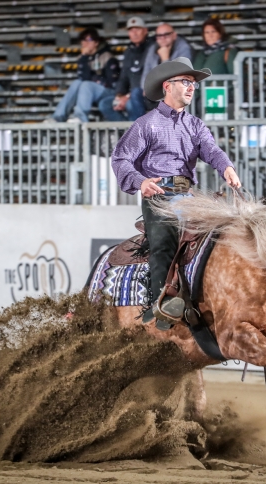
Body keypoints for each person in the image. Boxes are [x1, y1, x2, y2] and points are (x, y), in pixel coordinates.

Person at [111, 57, 241, 330]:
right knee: (163, 242)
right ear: (167, 86)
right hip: (158, 193)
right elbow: (121, 159)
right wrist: (140, 182)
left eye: (193, 83)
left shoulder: (195, 125)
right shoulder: (146, 124)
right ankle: (157, 306)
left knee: (222, 232)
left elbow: (211, 150)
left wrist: (226, 166)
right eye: (186, 82)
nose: (192, 87)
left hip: (187, 196)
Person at [47, 28, 120, 123]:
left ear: (96, 42)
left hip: (109, 92)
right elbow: (83, 78)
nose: (84, 43)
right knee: (78, 82)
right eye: (82, 40)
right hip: (90, 92)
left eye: (88, 40)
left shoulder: (107, 56)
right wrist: (84, 58)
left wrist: (96, 80)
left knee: (86, 85)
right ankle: (58, 117)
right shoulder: (83, 58)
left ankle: (81, 117)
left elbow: (112, 81)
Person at [98, 17, 154, 122]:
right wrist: (119, 95)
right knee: (104, 104)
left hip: (146, 96)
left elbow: (147, 79)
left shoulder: (152, 48)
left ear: (145, 30)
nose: (134, 33)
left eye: (137, 29)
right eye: (131, 30)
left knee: (130, 105)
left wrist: (128, 97)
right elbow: (123, 77)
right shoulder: (128, 52)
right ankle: (127, 133)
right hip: (129, 96)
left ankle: (137, 135)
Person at [140, 24, 192, 105]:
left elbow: (179, 75)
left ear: (174, 35)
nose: (163, 38)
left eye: (166, 34)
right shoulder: (152, 49)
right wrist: (146, 88)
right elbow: (146, 72)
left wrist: (165, 59)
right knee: (136, 94)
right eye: (159, 35)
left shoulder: (183, 48)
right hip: (155, 89)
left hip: (176, 90)